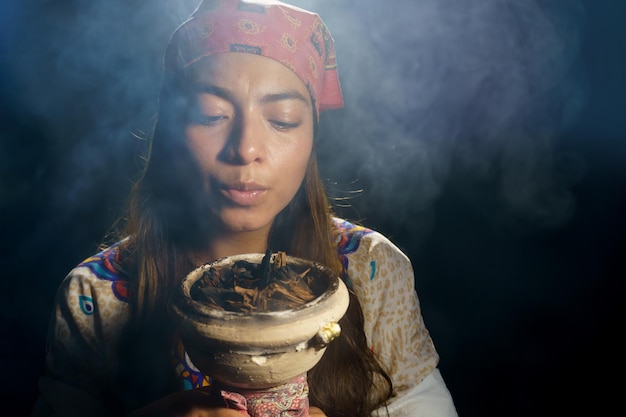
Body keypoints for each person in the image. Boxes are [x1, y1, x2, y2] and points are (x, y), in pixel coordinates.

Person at [30, 1, 458, 416]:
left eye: (283, 119)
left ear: (312, 135)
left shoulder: (373, 271)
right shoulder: (94, 296)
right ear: (171, 133)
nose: (246, 149)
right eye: (210, 114)